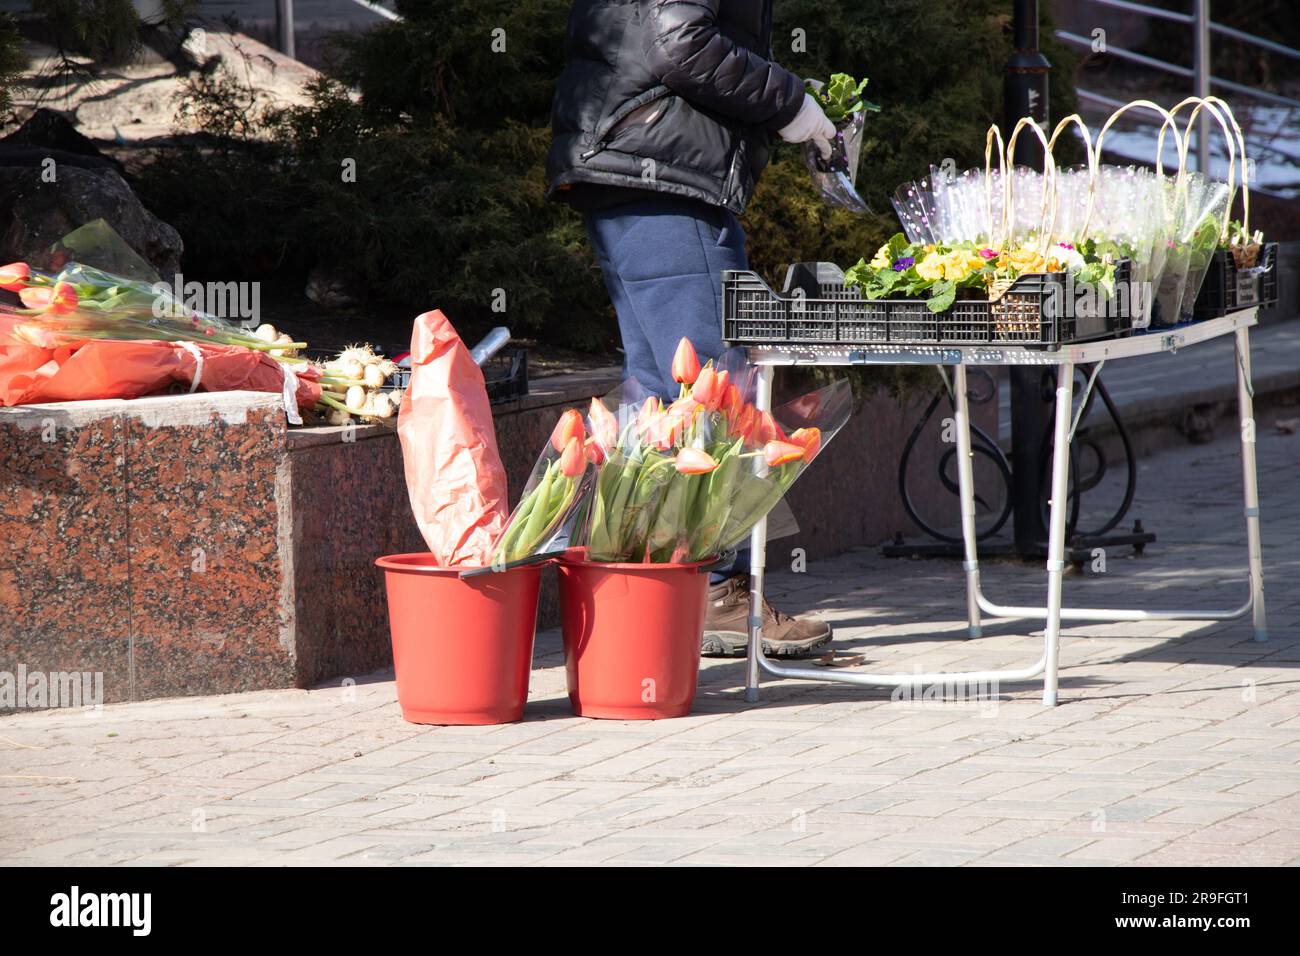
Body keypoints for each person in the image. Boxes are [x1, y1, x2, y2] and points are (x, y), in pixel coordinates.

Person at [547, 0, 834, 657]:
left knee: (659, 393)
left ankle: (653, 586)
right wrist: (789, 103)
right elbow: (679, 45)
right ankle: (715, 592)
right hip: (661, 172)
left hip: (636, 158)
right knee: (711, 391)